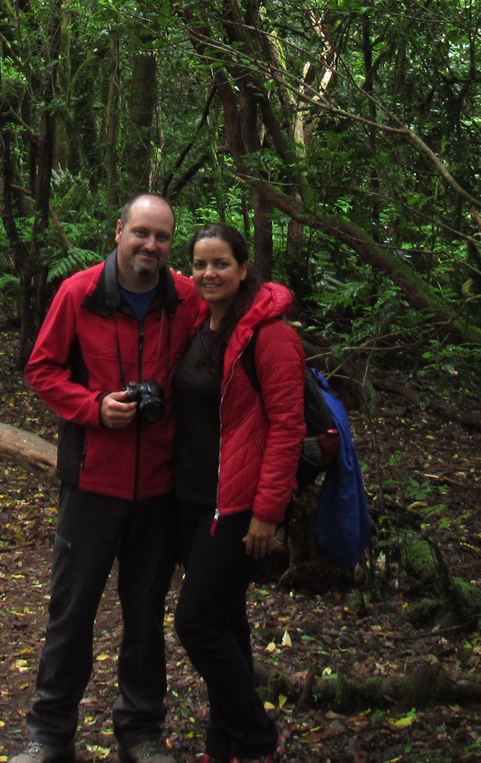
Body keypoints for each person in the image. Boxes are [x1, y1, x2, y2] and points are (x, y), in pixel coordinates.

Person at [13, 194, 205, 763]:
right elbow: (41, 369)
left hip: (161, 487)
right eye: (141, 233)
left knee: (145, 612)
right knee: (72, 609)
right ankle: (49, 733)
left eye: (163, 237)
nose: (151, 245)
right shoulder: (80, 293)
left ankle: (140, 732)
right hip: (93, 480)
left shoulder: (186, 299)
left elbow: (236, 325)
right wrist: (93, 407)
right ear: (119, 231)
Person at [170, 223, 302, 763]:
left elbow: (287, 427)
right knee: (227, 623)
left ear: (243, 268)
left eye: (221, 263)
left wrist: (267, 514)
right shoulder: (201, 324)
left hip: (239, 508)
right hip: (192, 500)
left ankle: (255, 739)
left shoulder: (271, 336)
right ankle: (223, 746)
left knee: (196, 625)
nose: (208, 274)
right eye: (200, 264)